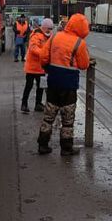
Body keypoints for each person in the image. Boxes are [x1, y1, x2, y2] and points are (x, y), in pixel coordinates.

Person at [37, 13, 90, 155]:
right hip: (69, 85)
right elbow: (84, 65)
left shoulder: (55, 36)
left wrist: (49, 68)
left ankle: (43, 144)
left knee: (49, 114)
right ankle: (66, 148)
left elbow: (43, 57)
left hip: (53, 82)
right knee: (68, 118)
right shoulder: (80, 43)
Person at [21, 18, 54, 113]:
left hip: (41, 68)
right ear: (44, 28)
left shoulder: (49, 37)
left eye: (51, 29)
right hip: (32, 67)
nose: (50, 31)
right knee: (29, 86)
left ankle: (38, 104)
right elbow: (33, 48)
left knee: (41, 87)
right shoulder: (36, 36)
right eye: (49, 28)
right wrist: (44, 54)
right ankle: (24, 104)